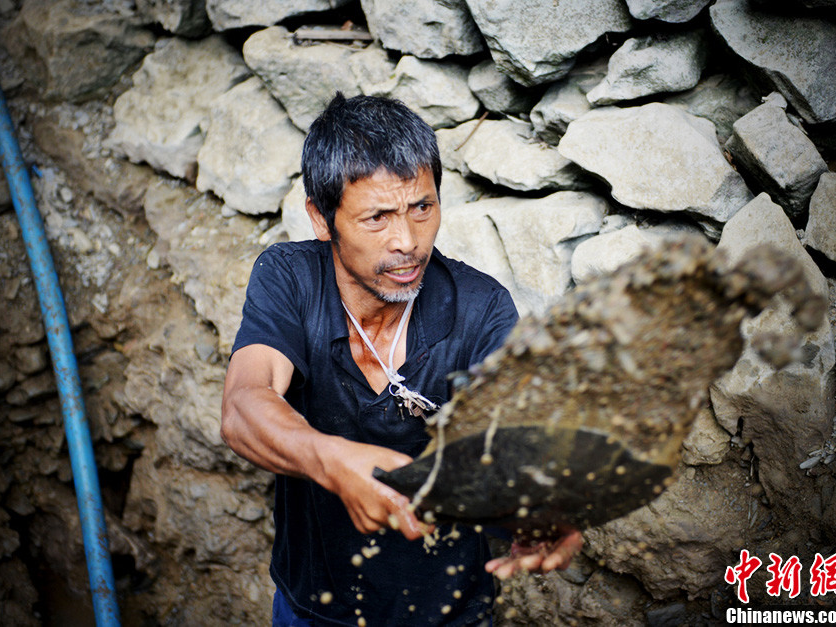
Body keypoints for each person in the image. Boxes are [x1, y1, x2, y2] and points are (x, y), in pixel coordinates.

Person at [220, 93, 582, 626]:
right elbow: (243, 407)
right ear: (322, 219)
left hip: (448, 615)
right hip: (312, 610)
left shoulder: (480, 310)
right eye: (377, 217)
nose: (407, 241)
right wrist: (335, 461)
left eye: (422, 207)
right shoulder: (289, 279)